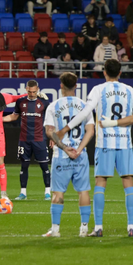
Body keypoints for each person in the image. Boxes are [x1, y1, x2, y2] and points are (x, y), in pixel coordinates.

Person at [65, 59, 133, 237]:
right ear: (120, 73)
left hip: (104, 143)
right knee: (128, 183)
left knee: (100, 183)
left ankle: (98, 227)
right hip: (124, 144)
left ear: (104, 72)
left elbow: (85, 112)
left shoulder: (98, 89)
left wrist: (66, 129)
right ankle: (131, 227)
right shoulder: (129, 90)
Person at [42, 72, 96, 238]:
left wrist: (65, 148)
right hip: (80, 156)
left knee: (58, 193)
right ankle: (84, 229)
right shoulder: (84, 106)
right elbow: (90, 131)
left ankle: (55, 230)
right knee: (84, 192)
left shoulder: (53, 106)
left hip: (61, 156)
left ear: (61, 86)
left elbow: (50, 132)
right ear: (76, 86)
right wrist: (79, 149)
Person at [1, 79, 52, 201]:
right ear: (26, 89)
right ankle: (23, 193)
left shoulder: (44, 103)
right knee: (24, 166)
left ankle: (48, 192)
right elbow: (14, 116)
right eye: (30, 91)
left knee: (44, 166)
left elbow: (50, 121)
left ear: (38, 90)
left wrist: (52, 137)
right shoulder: (20, 102)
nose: (32, 94)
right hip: (24, 140)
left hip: (39, 139)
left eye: (34, 92)